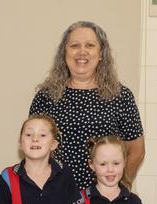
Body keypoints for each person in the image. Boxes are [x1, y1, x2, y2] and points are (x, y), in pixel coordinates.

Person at [29, 21, 145, 189]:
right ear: (64, 53)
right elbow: (34, 147)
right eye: (74, 45)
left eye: (90, 45)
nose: (82, 52)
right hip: (55, 195)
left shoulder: (121, 96)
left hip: (103, 199)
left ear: (101, 54)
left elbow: (136, 151)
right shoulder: (46, 97)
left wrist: (119, 187)